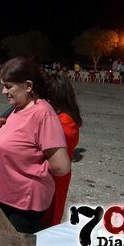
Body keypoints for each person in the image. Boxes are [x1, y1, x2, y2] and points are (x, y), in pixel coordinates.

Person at [0, 57, 70, 234]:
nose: (3, 91)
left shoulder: (42, 113)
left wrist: (32, 170)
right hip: (4, 195)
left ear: (29, 86)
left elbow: (61, 167)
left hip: (23, 204)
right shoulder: (17, 108)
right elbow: (14, 147)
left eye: (8, 86)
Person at [41, 73, 82, 227]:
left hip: (55, 175)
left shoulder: (64, 120)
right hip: (53, 174)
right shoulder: (62, 116)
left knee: (49, 215)